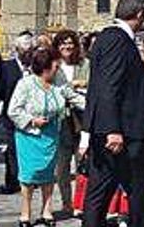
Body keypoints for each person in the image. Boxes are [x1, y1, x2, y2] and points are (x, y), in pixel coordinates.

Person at [82, 0, 144, 227]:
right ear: (140, 14)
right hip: (122, 133)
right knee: (140, 191)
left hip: (110, 130)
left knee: (100, 191)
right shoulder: (117, 39)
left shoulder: (107, 37)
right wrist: (113, 129)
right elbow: (107, 86)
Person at [8, 46, 85, 227]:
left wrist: (96, 105)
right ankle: (25, 213)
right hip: (29, 136)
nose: (58, 68)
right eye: (55, 65)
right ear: (45, 67)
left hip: (51, 134)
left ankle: (47, 210)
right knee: (28, 175)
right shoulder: (25, 84)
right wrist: (32, 120)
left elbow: (72, 97)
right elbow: (13, 110)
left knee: (48, 175)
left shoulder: (59, 80)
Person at [52, 30, 84, 215]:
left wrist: (78, 85)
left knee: (82, 163)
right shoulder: (54, 65)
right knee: (62, 166)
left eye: (70, 43)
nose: (67, 46)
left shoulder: (84, 63)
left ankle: (79, 202)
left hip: (81, 118)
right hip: (61, 119)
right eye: (63, 43)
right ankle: (66, 202)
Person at [0, 32, 34, 194]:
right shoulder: (7, 67)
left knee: (30, 148)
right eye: (24, 50)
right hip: (11, 116)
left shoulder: (36, 66)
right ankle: (12, 180)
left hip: (32, 115)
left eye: (30, 50)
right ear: (17, 49)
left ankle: (31, 179)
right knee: (12, 149)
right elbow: (0, 90)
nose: (28, 53)